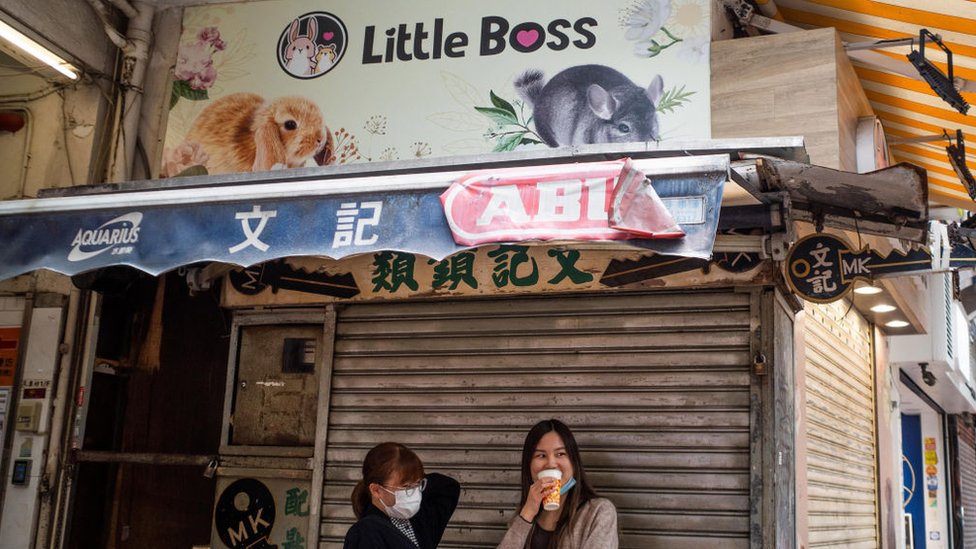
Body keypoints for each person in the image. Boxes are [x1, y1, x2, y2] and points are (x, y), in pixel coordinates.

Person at [497, 419, 618, 549]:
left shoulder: (598, 512)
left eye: (560, 454)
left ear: (573, 462)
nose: (551, 464)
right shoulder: (526, 513)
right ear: (529, 466)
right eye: (541, 455)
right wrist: (527, 514)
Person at [343, 442, 460, 549]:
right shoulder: (365, 533)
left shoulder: (420, 520)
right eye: (406, 486)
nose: (414, 492)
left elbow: (448, 487)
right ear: (376, 490)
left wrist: (413, 474)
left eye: (418, 484)